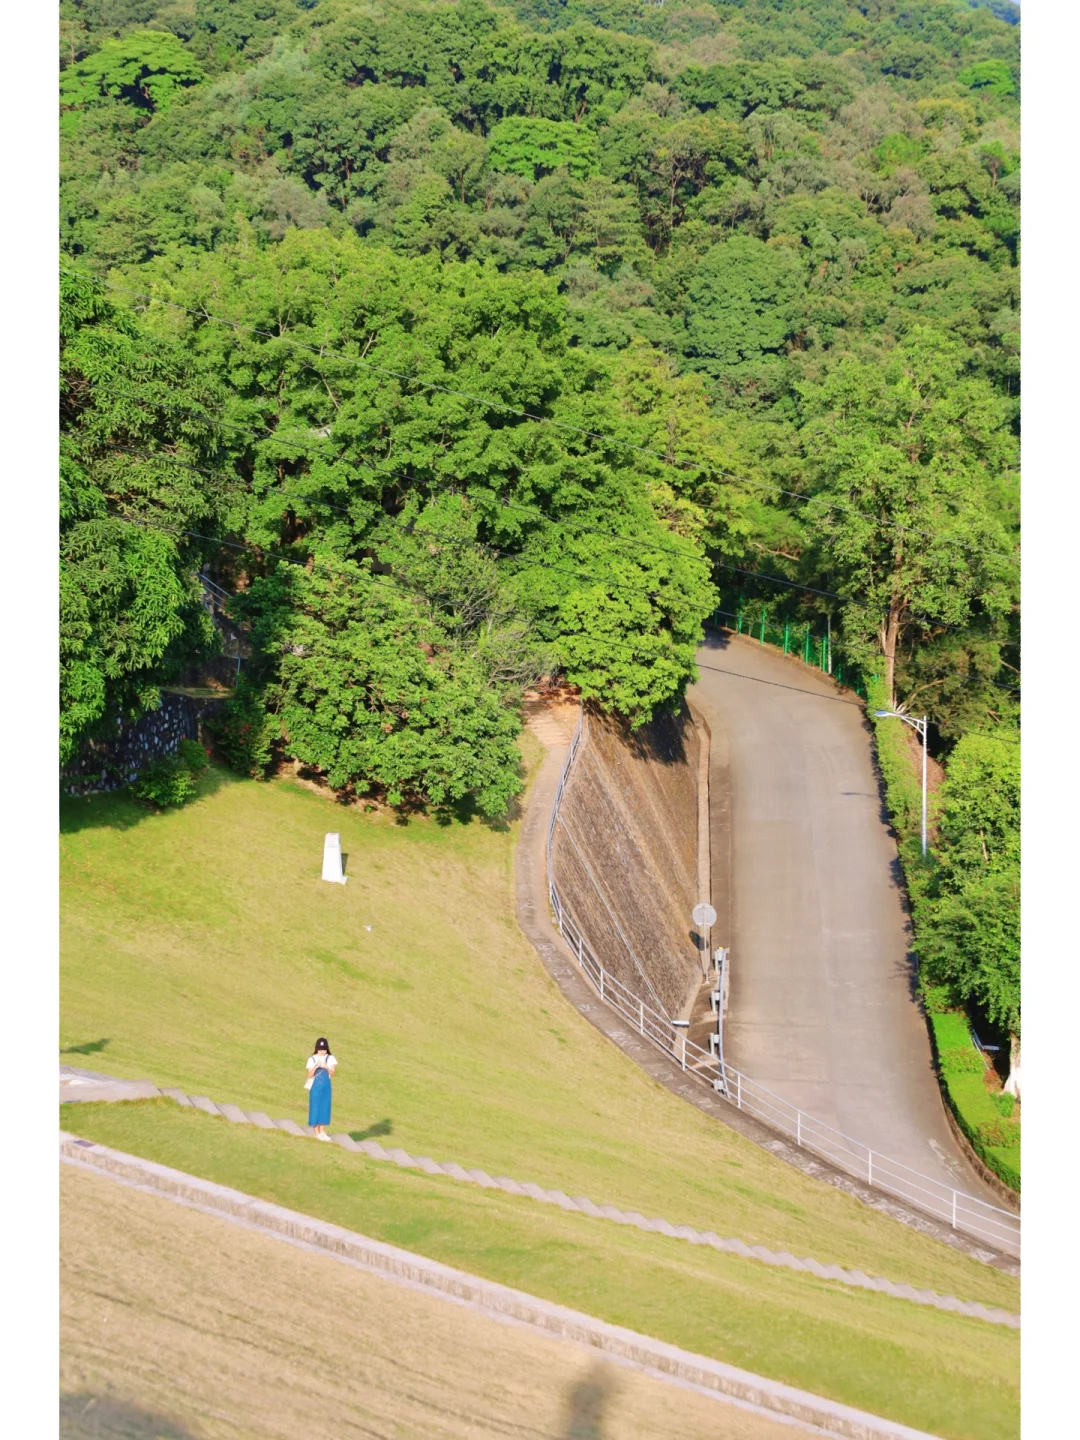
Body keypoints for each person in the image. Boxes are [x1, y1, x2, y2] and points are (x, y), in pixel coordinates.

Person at [305, 1037, 338, 1139]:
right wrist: (316, 1066)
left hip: (326, 1086)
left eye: (324, 1049)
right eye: (320, 1049)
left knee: (325, 1106)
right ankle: (316, 1132)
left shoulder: (330, 1058)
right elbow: (309, 1075)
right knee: (315, 1107)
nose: (322, 1051)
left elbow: (333, 1073)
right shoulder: (312, 1059)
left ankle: (322, 1131)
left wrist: (326, 1067)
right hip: (315, 1086)